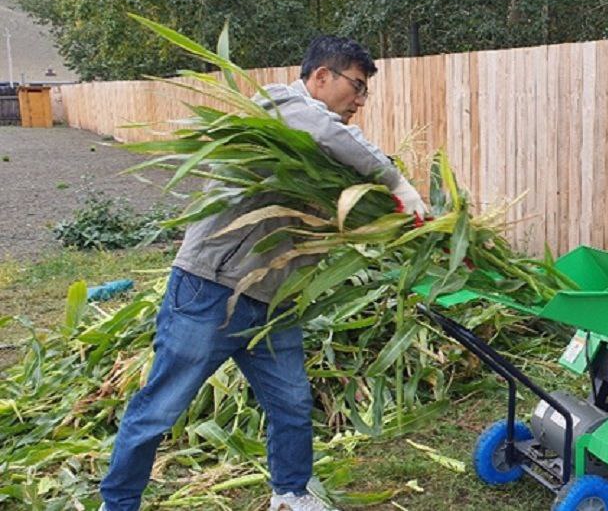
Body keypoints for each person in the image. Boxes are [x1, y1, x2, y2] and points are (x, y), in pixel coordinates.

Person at [99, 36, 427, 511]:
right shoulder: (279, 108)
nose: (359, 101)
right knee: (160, 409)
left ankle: (290, 495)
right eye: (355, 86)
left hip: (274, 299)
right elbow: (328, 132)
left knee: (292, 405)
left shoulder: (323, 147)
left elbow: (344, 167)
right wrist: (396, 180)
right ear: (320, 77)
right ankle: (118, 503)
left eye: (364, 93)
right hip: (212, 289)